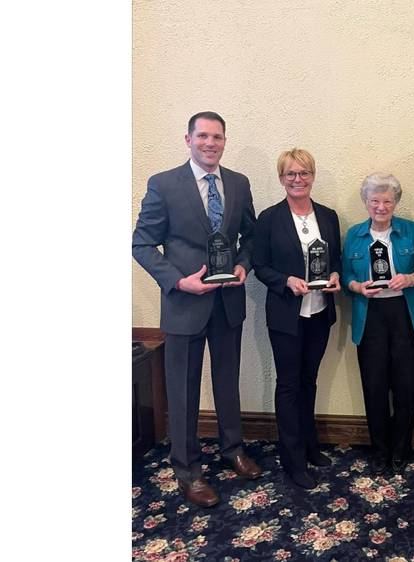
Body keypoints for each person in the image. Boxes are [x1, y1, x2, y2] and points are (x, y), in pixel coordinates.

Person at [132, 111, 261, 508]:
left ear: (225, 141)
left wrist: (243, 263)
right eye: (202, 136)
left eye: (217, 137)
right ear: (187, 139)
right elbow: (141, 244)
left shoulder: (238, 183)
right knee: (184, 390)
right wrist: (177, 280)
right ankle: (187, 469)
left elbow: (251, 237)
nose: (210, 143)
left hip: (227, 304)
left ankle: (232, 449)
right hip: (184, 304)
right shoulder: (164, 184)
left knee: (227, 381)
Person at [251, 148, 342, 490]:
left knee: (309, 381)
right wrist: (286, 281)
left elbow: (339, 259)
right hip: (287, 316)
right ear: (281, 179)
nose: (297, 179)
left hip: (319, 313)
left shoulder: (329, 216)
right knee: (288, 385)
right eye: (290, 174)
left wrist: (334, 274)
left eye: (303, 173)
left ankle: (310, 445)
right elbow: (260, 266)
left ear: (312, 176)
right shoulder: (269, 218)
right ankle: (293, 460)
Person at [342, 173, 414, 475]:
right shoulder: (354, 235)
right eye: (374, 201)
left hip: (405, 314)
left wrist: (411, 278)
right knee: (374, 386)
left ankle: (401, 449)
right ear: (365, 202)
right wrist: (356, 287)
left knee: (406, 386)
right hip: (370, 317)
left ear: (396, 203)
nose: (381, 206)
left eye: (387, 201)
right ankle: (380, 449)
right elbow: (343, 277)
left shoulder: (410, 231)